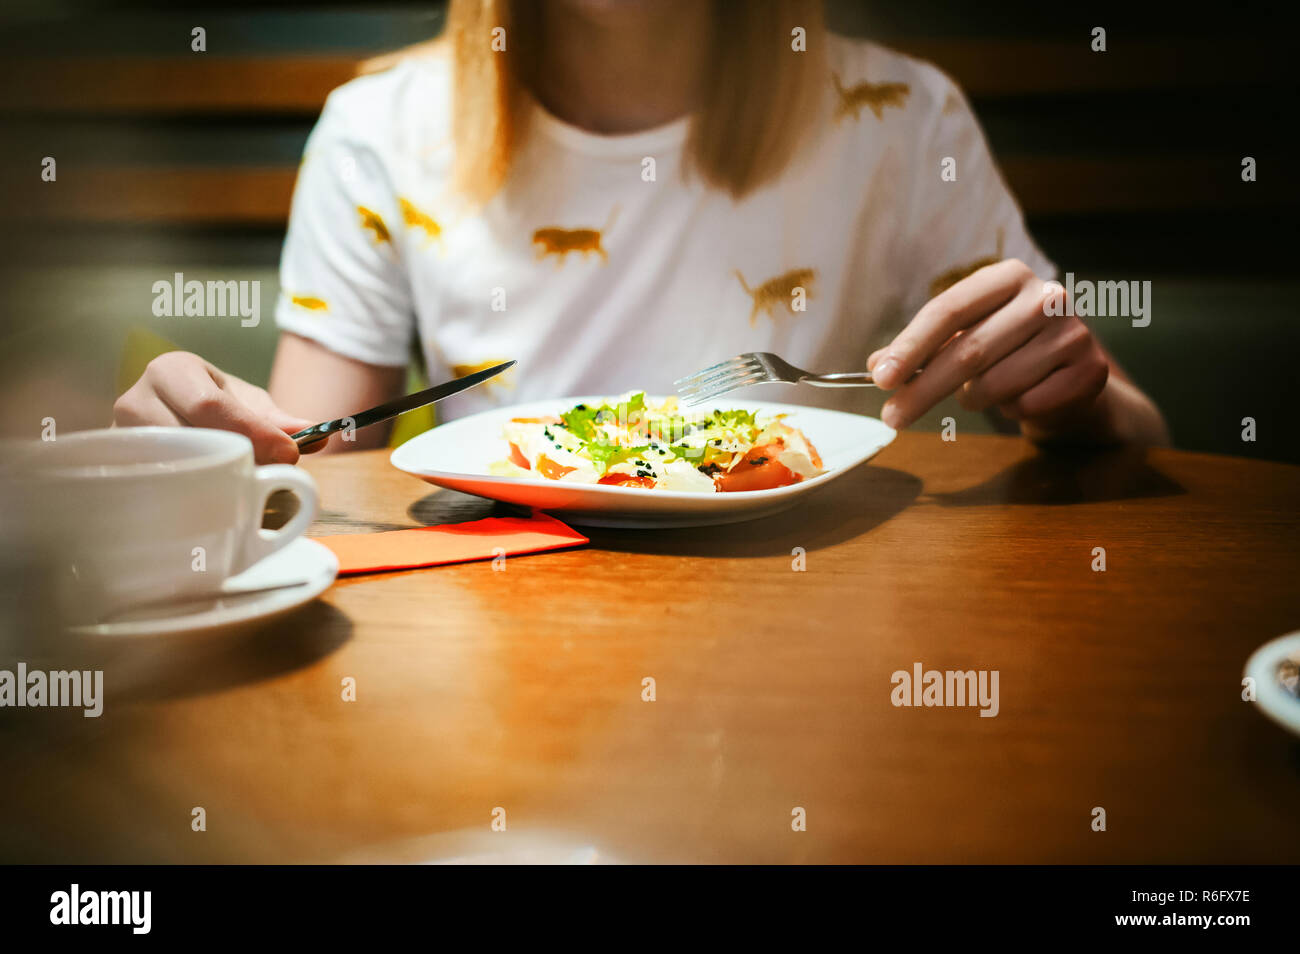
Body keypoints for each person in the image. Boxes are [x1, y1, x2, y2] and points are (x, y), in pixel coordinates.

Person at [113, 0, 1169, 464]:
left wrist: (1076, 401)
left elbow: (1135, 435)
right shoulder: (378, 130)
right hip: (502, 648)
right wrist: (210, 453)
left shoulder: (904, 118)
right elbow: (311, 462)